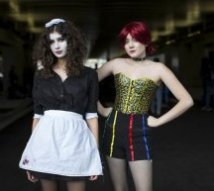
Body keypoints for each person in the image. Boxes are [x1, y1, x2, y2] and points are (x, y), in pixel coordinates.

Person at [97, 21, 194, 191]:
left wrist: (158, 121)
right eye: (126, 41)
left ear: (146, 41)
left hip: (139, 131)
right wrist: (101, 108)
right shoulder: (116, 64)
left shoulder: (159, 68)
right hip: (113, 129)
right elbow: (85, 84)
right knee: (119, 189)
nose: (130, 45)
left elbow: (186, 100)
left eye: (135, 39)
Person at [19, 18, 102, 191]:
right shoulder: (41, 75)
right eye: (51, 41)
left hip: (76, 144)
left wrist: (95, 155)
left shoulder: (88, 75)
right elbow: (38, 116)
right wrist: (32, 154)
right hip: (45, 145)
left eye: (61, 39)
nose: (56, 45)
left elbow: (92, 116)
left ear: (71, 41)